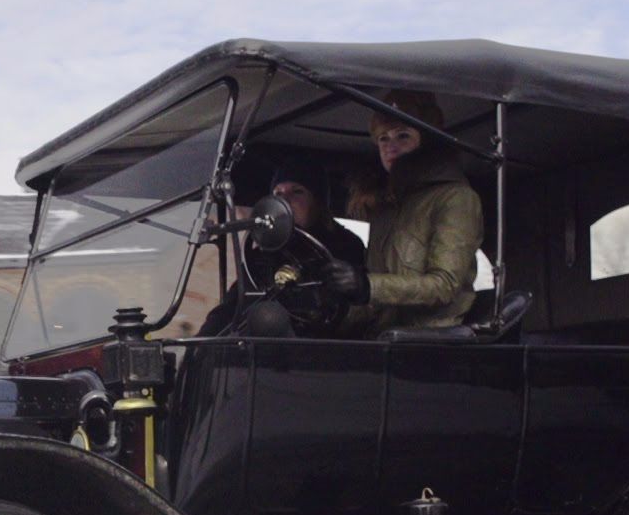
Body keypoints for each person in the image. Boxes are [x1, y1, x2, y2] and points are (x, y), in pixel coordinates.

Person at [323, 90, 481, 336]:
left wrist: (368, 286)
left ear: (426, 140)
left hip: (432, 341)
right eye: (383, 139)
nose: (390, 147)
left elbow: (444, 286)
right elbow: (376, 303)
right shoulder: (384, 206)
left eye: (403, 135)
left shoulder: (455, 198)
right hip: (385, 337)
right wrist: (332, 317)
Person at [200, 158, 364, 337]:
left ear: (318, 202)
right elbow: (231, 308)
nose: (285, 200)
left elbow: (353, 312)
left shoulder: (346, 246)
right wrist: (198, 345)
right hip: (266, 346)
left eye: (297, 192)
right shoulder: (262, 255)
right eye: (278, 193)